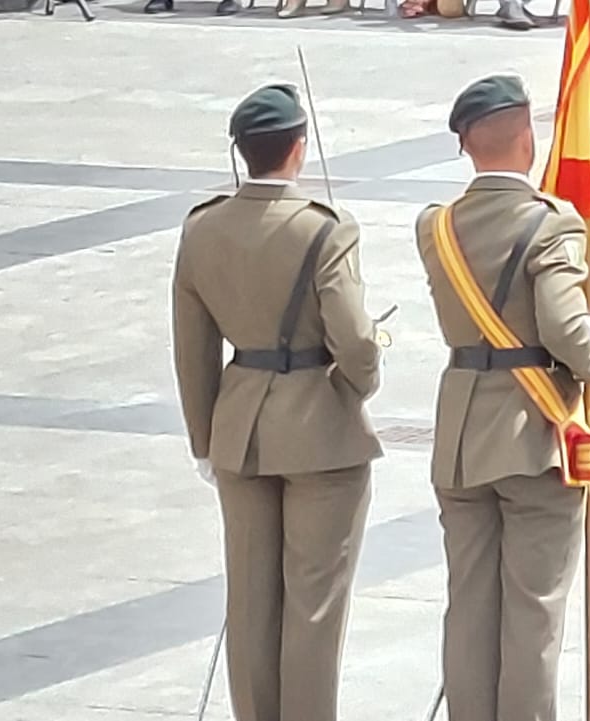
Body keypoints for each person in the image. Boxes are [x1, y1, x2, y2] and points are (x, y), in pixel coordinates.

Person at [171, 84, 384, 721]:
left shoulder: (202, 228)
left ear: (243, 153)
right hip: (319, 428)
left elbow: (193, 349)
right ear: (298, 148)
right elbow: (357, 345)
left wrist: (205, 438)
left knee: (251, 602)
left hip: (240, 427)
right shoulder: (325, 228)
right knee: (313, 607)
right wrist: (360, 381)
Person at [413, 74, 590, 721]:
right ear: (528, 137)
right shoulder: (552, 224)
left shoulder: (435, 226)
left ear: (466, 145)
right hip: (533, 437)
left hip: (462, 435)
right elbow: (565, 330)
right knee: (534, 612)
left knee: (469, 608)